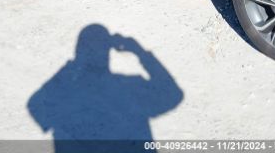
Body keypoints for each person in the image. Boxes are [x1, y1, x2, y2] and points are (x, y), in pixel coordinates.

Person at [28, 24, 183, 153]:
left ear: (78, 53)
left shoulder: (62, 94)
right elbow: (172, 94)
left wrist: (71, 67)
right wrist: (139, 51)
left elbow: (35, 106)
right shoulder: (130, 87)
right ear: (108, 53)